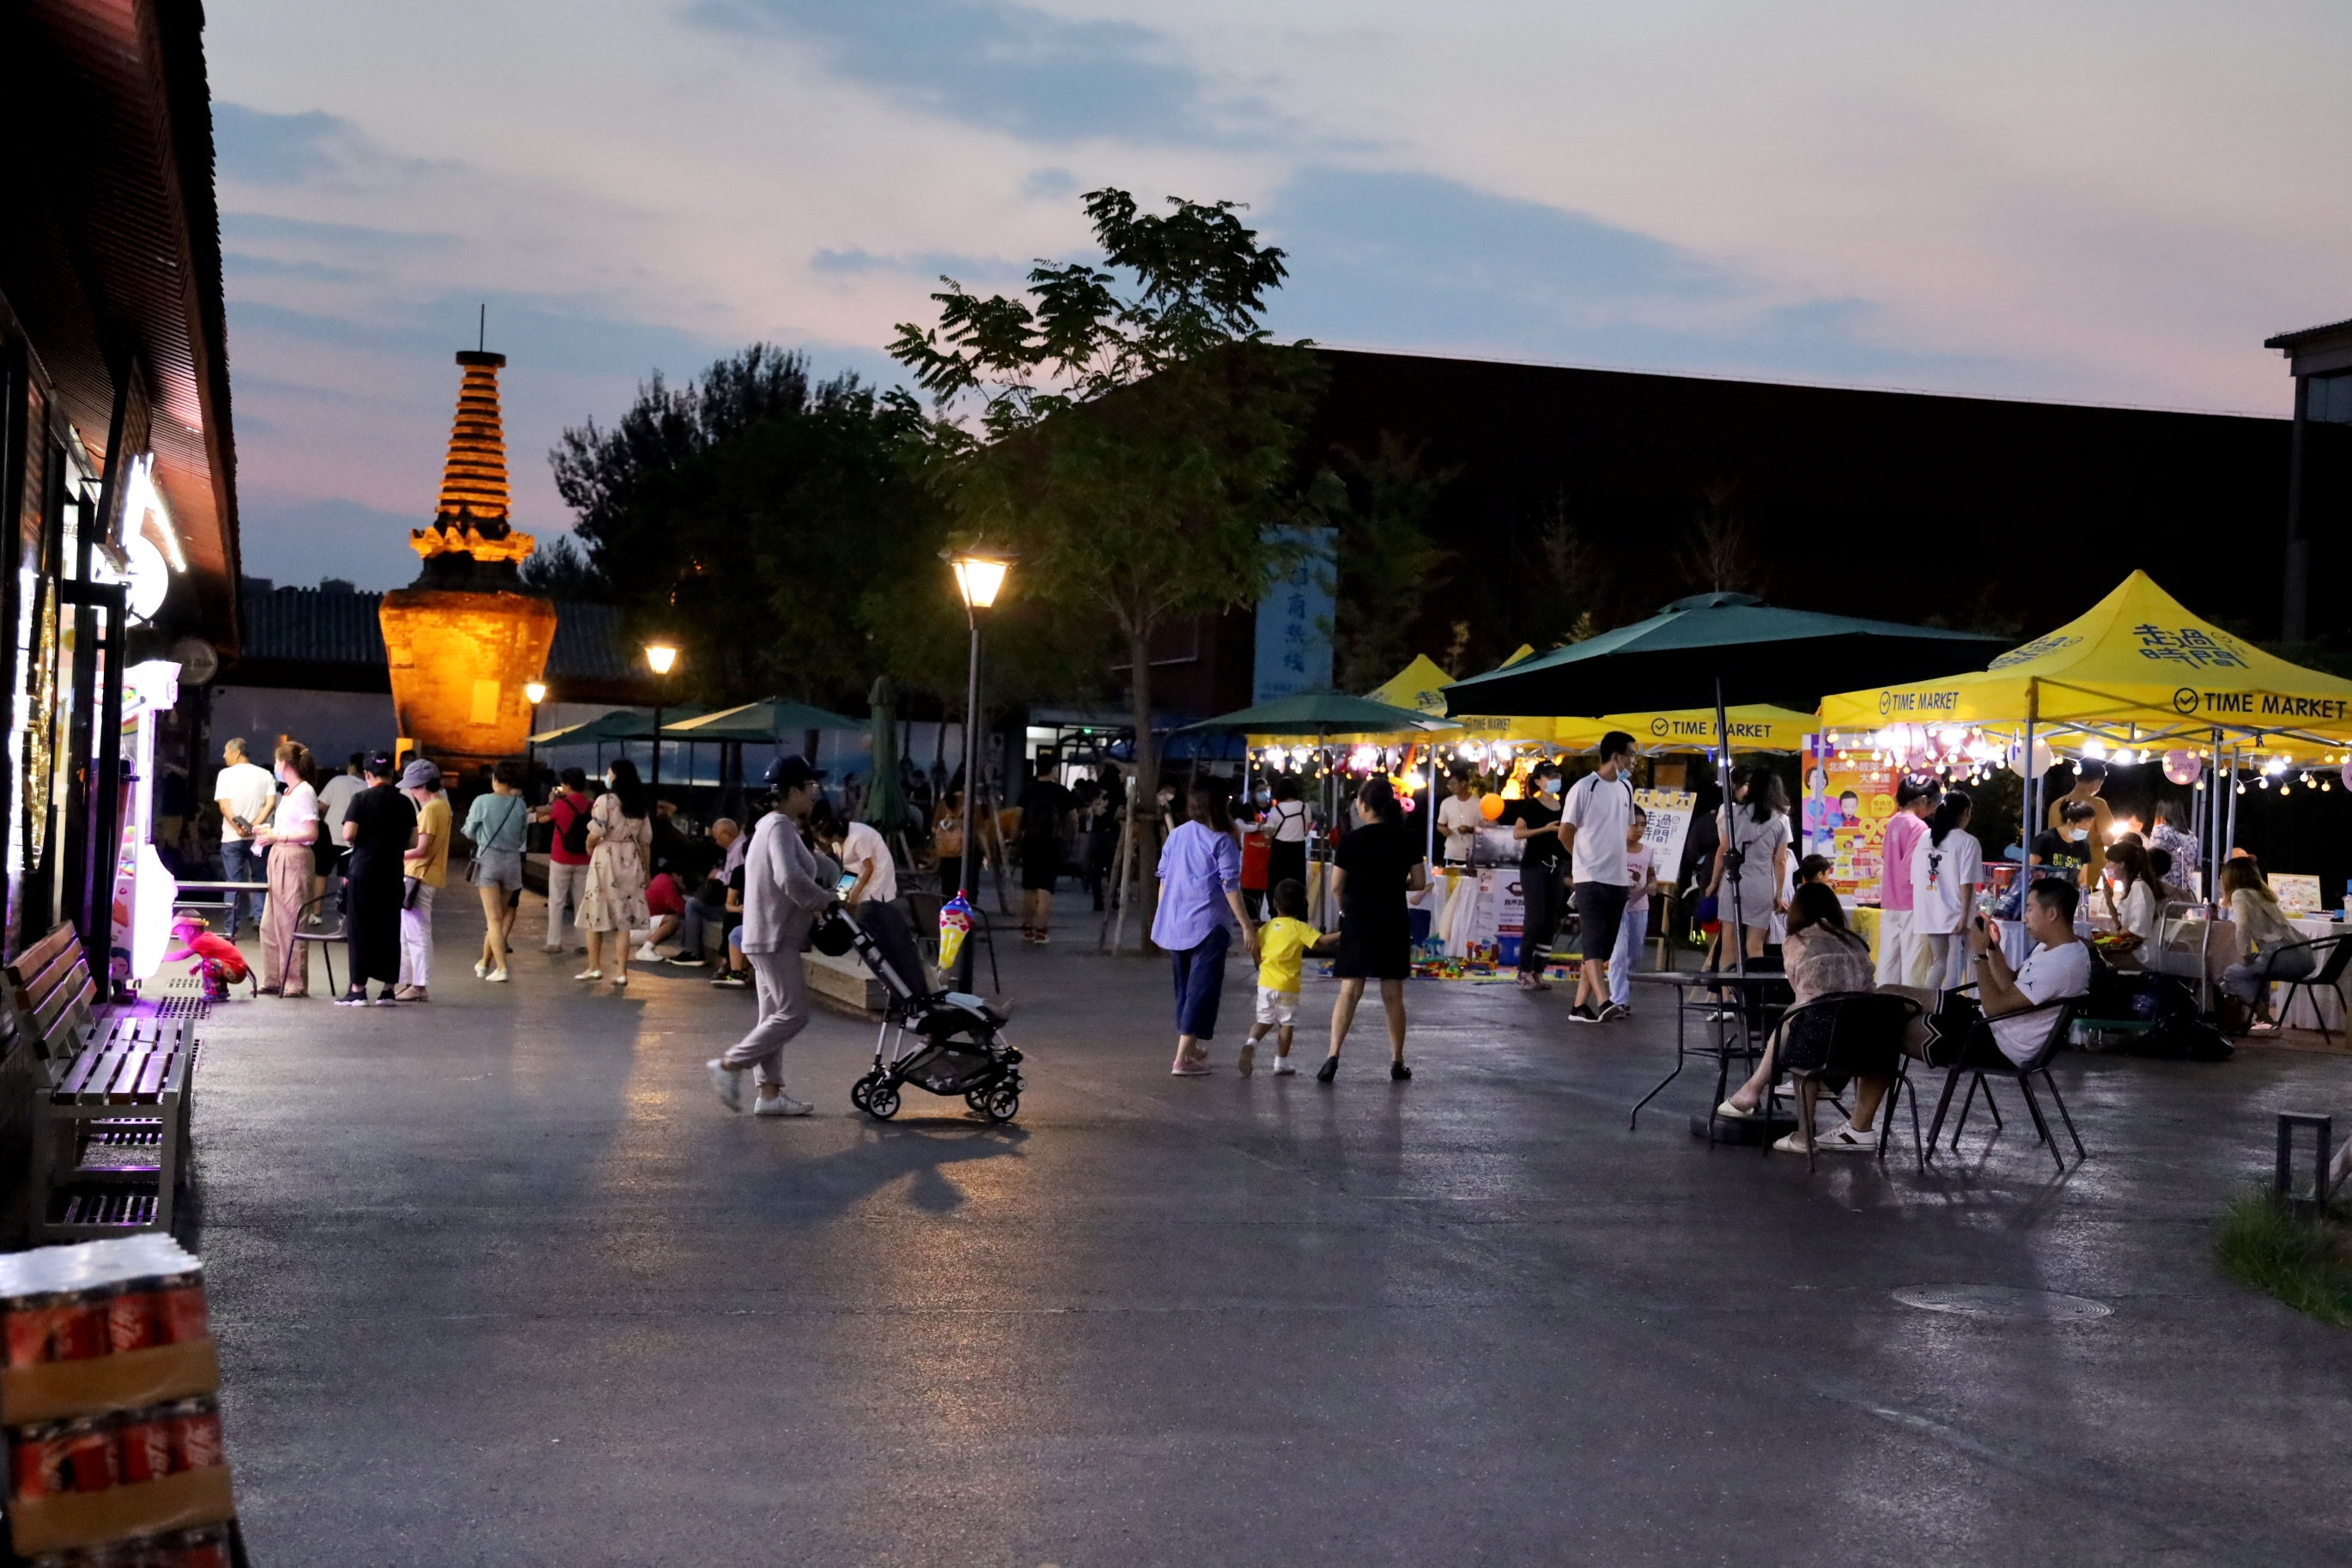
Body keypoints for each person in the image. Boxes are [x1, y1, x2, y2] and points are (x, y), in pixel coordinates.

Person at [708, 757, 832, 1115]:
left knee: (773, 1017)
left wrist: (830, 874)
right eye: (810, 787)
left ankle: (770, 1094)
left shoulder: (773, 825)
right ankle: (730, 1065)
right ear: (792, 790)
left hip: (766, 934)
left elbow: (804, 870)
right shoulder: (778, 826)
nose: (814, 794)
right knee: (794, 1013)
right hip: (775, 935)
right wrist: (825, 901)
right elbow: (790, 878)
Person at [1715, 882, 1881, 1135]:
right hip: (1866, 1037)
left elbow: (1800, 990)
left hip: (1819, 1039)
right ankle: (1755, 1089)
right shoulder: (1857, 942)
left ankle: (1755, 1090)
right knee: (1801, 1012)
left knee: (1795, 1013)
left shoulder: (1797, 941)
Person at [1319, 776, 1428, 1082]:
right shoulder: (1407, 838)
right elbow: (1419, 882)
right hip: (1393, 919)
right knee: (1393, 994)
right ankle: (1397, 1060)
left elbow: (1336, 885)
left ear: (1365, 806)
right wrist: (1394, 885)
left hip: (1359, 921)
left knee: (1349, 991)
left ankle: (1332, 1056)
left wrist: (1348, 909)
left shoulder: (1351, 840)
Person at [1155, 779, 1255, 1075]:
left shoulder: (1176, 835)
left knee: (1185, 989)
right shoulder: (1222, 840)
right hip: (1208, 925)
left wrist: (1163, 915)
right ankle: (1182, 1058)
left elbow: (1163, 878)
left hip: (1176, 922)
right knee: (1202, 989)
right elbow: (1230, 887)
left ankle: (1191, 1047)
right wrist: (1247, 926)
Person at [1559, 734, 1639, 1023]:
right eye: (1630, 754)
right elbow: (1565, 832)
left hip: (1617, 877)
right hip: (1589, 877)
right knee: (1593, 941)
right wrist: (1581, 861)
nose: (1633, 760)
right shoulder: (1584, 787)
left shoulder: (1627, 788)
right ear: (1615, 756)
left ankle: (1579, 1005)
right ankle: (1605, 1000)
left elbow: (1628, 830)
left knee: (1601, 947)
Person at [335, 752, 416, 1006]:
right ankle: (388, 990)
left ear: (367, 775)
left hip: (363, 872)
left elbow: (349, 834)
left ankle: (358, 990)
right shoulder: (404, 803)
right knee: (390, 929)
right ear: (392, 774)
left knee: (360, 929)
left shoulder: (360, 798)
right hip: (392, 872)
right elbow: (413, 840)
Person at [1705, 764, 1791, 973]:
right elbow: (1780, 860)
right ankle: (1755, 997)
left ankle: (1726, 997)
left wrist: (1713, 883)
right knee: (1755, 946)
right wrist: (1779, 894)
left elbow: (1723, 850)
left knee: (1729, 946)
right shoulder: (1781, 819)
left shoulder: (1732, 814)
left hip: (1733, 881)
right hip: (1761, 884)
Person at [1240, 878, 1330, 1079]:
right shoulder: (1298, 928)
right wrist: (1346, 932)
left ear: (1274, 903)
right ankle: (1281, 1062)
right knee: (1286, 1025)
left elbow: (1256, 949)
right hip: (1288, 985)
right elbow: (1321, 942)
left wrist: (1259, 963)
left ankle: (1251, 1043)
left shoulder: (1267, 928)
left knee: (1264, 1021)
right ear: (1303, 904)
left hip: (1265, 984)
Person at [578, 757, 653, 987]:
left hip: (606, 858)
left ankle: (594, 967)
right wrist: (647, 871)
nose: (607, 776)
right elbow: (646, 841)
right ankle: (621, 972)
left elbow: (596, 830)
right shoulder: (639, 804)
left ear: (617, 775)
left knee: (595, 912)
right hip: (631, 859)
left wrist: (589, 845)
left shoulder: (605, 800)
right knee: (624, 919)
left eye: (610, 772)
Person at [254, 741, 319, 998]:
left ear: (285, 764)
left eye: (277, 761)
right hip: (280, 855)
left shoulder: (304, 791)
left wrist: (278, 837)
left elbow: (311, 833)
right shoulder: (290, 791)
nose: (275, 766)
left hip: (294, 858)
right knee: (270, 923)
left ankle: (294, 981)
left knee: (291, 919)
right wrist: (271, 833)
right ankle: (273, 977)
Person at [2220, 857, 2306, 1033]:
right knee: (2259, 970)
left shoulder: (2240, 894)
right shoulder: (2264, 894)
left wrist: (2244, 954)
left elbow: (2242, 925)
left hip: (2281, 956)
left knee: (2231, 973)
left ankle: (2266, 1021)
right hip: (2303, 956)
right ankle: (2263, 1023)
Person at [463, 760, 531, 982]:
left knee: (492, 919)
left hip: (489, 860)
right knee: (498, 920)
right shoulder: (519, 805)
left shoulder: (482, 801)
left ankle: (501, 968)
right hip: (512, 862)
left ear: (494, 778)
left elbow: (470, 832)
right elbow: (522, 837)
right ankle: (484, 963)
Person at [1911, 788, 1982, 992]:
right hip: (1955, 913)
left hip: (1930, 912)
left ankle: (1928, 1007)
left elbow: (1916, 877)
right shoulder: (1968, 842)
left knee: (1939, 963)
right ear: (1966, 812)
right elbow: (1966, 883)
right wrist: (1965, 915)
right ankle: (1947, 1012)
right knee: (1955, 968)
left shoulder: (1925, 837)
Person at [1509, 761, 1569, 993]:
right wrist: (1545, 829)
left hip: (1556, 868)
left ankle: (1539, 971)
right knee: (1535, 919)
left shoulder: (1562, 806)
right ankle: (1524, 971)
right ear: (1538, 781)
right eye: (1549, 776)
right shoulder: (1531, 806)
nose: (1555, 779)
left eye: (1557, 775)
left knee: (1551, 919)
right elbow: (1517, 833)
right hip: (1534, 865)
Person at [1875, 775, 1939, 987]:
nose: (1933, 809)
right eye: (1933, 803)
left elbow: (1888, 860)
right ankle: (1911, 1009)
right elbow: (1916, 869)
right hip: (1913, 902)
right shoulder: (1920, 828)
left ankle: (1885, 1005)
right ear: (1923, 800)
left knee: (1888, 961)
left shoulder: (1893, 822)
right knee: (1914, 964)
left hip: (1891, 901)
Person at [396, 760, 450, 1002]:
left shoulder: (430, 809)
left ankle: (418, 986)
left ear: (425, 785)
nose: (412, 792)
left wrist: (394, 854)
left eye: (415, 787)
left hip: (417, 876)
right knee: (414, 933)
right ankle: (412, 983)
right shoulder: (444, 807)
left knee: (414, 934)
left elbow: (421, 848)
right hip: (427, 876)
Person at [213, 738, 277, 939]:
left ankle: (231, 926)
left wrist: (239, 828)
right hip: (258, 839)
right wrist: (253, 827)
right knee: (259, 879)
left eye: (226, 751)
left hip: (232, 838)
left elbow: (224, 806)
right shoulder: (266, 775)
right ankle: (260, 921)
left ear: (237, 752)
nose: (224, 755)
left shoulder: (225, 775)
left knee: (233, 881)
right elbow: (270, 804)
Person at [1608, 804, 1668, 1012]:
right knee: (1619, 953)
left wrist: (1652, 884)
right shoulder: (1613, 849)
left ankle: (1622, 988)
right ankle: (1618, 1000)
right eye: (1635, 824)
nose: (1639, 829)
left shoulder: (1647, 851)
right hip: (1616, 908)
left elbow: (1651, 875)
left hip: (1639, 907)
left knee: (1634, 954)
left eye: (1643, 825)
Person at [538, 768, 595, 951]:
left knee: (556, 901)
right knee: (581, 902)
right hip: (584, 859)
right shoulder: (592, 805)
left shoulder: (560, 805)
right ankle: (583, 942)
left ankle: (554, 942)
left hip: (561, 858)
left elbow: (543, 819)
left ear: (567, 785)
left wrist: (550, 802)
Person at [1017, 766, 1073, 944]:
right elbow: (1074, 819)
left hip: (1030, 842)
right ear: (1053, 770)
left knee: (1030, 888)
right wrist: (1068, 838)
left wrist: (1014, 839)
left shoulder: (1028, 790)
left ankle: (1027, 928)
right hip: (1052, 844)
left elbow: (1018, 817)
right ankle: (1041, 932)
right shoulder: (1061, 791)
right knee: (1045, 889)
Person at [313, 753, 365, 917]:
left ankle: (316, 913)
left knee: (321, 874)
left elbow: (320, 805)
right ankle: (344, 914)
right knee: (347, 877)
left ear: (352, 766)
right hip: (354, 839)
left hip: (330, 835)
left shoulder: (337, 781)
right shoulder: (367, 787)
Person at [2047, 758, 2115, 882]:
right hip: (2089, 871)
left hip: (2060, 869)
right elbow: (2108, 840)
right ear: (2096, 782)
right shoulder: (2098, 804)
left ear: (2076, 778)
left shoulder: (2056, 805)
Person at [1255, 775, 1315, 903]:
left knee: (1276, 887)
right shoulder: (1305, 808)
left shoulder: (1276, 810)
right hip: (1298, 851)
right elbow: (1305, 831)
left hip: (1280, 852)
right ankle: (1298, 916)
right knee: (1297, 887)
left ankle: (1277, 915)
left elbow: (1268, 835)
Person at [2100, 837, 2161, 962]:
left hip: (2140, 954)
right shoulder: (2129, 888)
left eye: (2109, 861)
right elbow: (2120, 925)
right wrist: (2109, 900)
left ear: (2121, 864)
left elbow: (2137, 931)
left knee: (2090, 941)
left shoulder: (2139, 887)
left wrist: (2110, 935)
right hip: (2131, 946)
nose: (2106, 866)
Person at [835, 814, 897, 911]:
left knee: (868, 908)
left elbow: (869, 869)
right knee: (843, 899)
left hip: (878, 871)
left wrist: (855, 894)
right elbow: (850, 867)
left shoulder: (858, 837)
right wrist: (842, 891)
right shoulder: (836, 843)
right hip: (858, 871)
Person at [2030, 799, 2100, 887]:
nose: (2085, 832)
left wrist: (2083, 898)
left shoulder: (2083, 845)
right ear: (2070, 822)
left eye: (2088, 829)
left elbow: (2082, 879)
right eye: (2083, 828)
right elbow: (2029, 870)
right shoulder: (2045, 839)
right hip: (2044, 895)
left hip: (2068, 897)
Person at [2148, 799, 2202, 893]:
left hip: (2164, 888)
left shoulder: (2160, 830)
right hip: (2185, 890)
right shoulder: (2192, 837)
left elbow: (2152, 859)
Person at [1437, 766, 1484, 869]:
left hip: (1472, 854)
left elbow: (1486, 829)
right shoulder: (1446, 803)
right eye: (1449, 784)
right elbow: (1440, 825)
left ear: (1463, 783)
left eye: (1453, 784)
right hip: (1451, 853)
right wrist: (1444, 830)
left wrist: (1469, 829)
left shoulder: (1478, 803)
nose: (1450, 787)